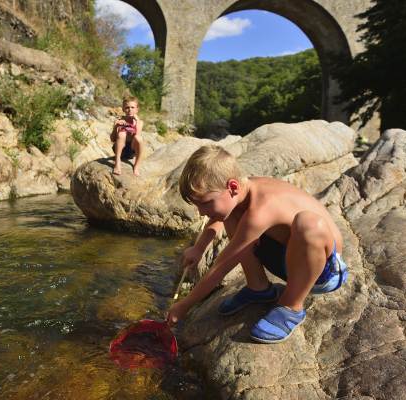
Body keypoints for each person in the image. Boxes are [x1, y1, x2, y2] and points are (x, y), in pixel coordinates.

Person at [166, 145, 349, 343]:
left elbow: (221, 267)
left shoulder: (262, 208)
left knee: (308, 223)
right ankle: (259, 288)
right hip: (289, 257)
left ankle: (291, 306)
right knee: (231, 214)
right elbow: (218, 216)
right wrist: (199, 248)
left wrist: (183, 306)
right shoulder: (241, 191)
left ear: (233, 186)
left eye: (205, 203)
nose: (201, 212)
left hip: (324, 272)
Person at [110, 96, 144, 176]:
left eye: (132, 107)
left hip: (132, 150)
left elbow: (137, 136)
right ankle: (117, 163)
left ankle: (136, 166)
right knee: (122, 133)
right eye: (127, 107)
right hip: (120, 150)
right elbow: (112, 139)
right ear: (123, 109)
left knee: (139, 138)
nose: (130, 110)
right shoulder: (119, 120)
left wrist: (136, 122)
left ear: (137, 109)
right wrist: (116, 127)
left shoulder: (140, 122)